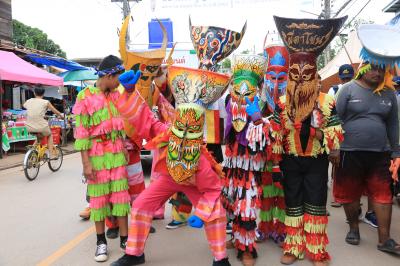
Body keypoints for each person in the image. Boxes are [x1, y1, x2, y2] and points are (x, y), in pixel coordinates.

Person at [111, 66, 231, 266]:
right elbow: (146, 119)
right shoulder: (166, 133)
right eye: (180, 128)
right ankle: (134, 253)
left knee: (215, 212)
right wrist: (131, 92)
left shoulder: (200, 162)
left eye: (190, 130)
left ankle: (220, 259)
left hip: (192, 183)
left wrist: (201, 214)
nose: (183, 136)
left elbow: (212, 190)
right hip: (167, 178)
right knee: (141, 205)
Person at [272, 15, 347, 266]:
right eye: (296, 73)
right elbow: (274, 132)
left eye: (307, 73)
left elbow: (337, 132)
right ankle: (294, 247)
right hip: (291, 161)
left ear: (315, 74)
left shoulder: (327, 100)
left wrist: (317, 132)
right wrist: (279, 130)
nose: (301, 78)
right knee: (293, 203)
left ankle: (316, 250)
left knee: (315, 203)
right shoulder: (282, 103)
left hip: (316, 161)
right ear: (290, 76)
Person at [166, 19, 246, 230]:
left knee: (216, 179)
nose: (208, 67)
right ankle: (180, 215)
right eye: (204, 66)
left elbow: (228, 112)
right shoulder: (186, 80)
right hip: (188, 136)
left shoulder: (223, 84)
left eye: (211, 66)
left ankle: (223, 217)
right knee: (182, 177)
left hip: (211, 139)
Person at [333, 23, 400, 256]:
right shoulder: (348, 90)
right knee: (349, 195)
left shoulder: (390, 94)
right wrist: (334, 148)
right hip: (349, 152)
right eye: (374, 68)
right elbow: (334, 119)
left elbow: (393, 124)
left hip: (380, 154)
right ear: (364, 68)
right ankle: (353, 228)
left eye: (382, 70)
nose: (378, 73)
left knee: (383, 196)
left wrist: (396, 152)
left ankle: (385, 239)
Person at [73, 55, 131, 262]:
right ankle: (101, 242)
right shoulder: (84, 97)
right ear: (108, 75)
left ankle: (125, 239)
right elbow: (81, 133)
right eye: (117, 78)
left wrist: (123, 145)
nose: (119, 83)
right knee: (98, 200)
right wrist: (86, 163)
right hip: (96, 153)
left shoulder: (117, 94)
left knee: (121, 195)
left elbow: (121, 123)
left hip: (116, 151)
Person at [221, 54, 274, 266]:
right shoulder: (228, 102)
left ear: (258, 88)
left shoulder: (264, 104)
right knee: (232, 202)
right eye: (237, 89)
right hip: (233, 162)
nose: (242, 95)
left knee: (247, 204)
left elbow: (268, 138)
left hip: (251, 165)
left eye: (248, 90)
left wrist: (258, 120)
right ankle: (236, 237)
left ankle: (247, 249)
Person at [258, 42, 289, 245]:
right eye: (271, 78)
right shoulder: (258, 104)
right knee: (265, 194)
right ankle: (265, 227)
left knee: (284, 195)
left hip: (287, 160)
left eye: (282, 79)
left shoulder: (291, 105)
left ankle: (282, 228)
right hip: (264, 160)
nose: (276, 84)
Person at [24, 87, 63, 156]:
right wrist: (61, 115)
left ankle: (32, 150)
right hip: (40, 126)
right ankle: (51, 154)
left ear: (34, 93)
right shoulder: (46, 102)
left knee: (40, 137)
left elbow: (25, 106)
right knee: (50, 134)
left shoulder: (29, 101)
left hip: (28, 126)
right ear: (43, 94)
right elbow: (55, 111)